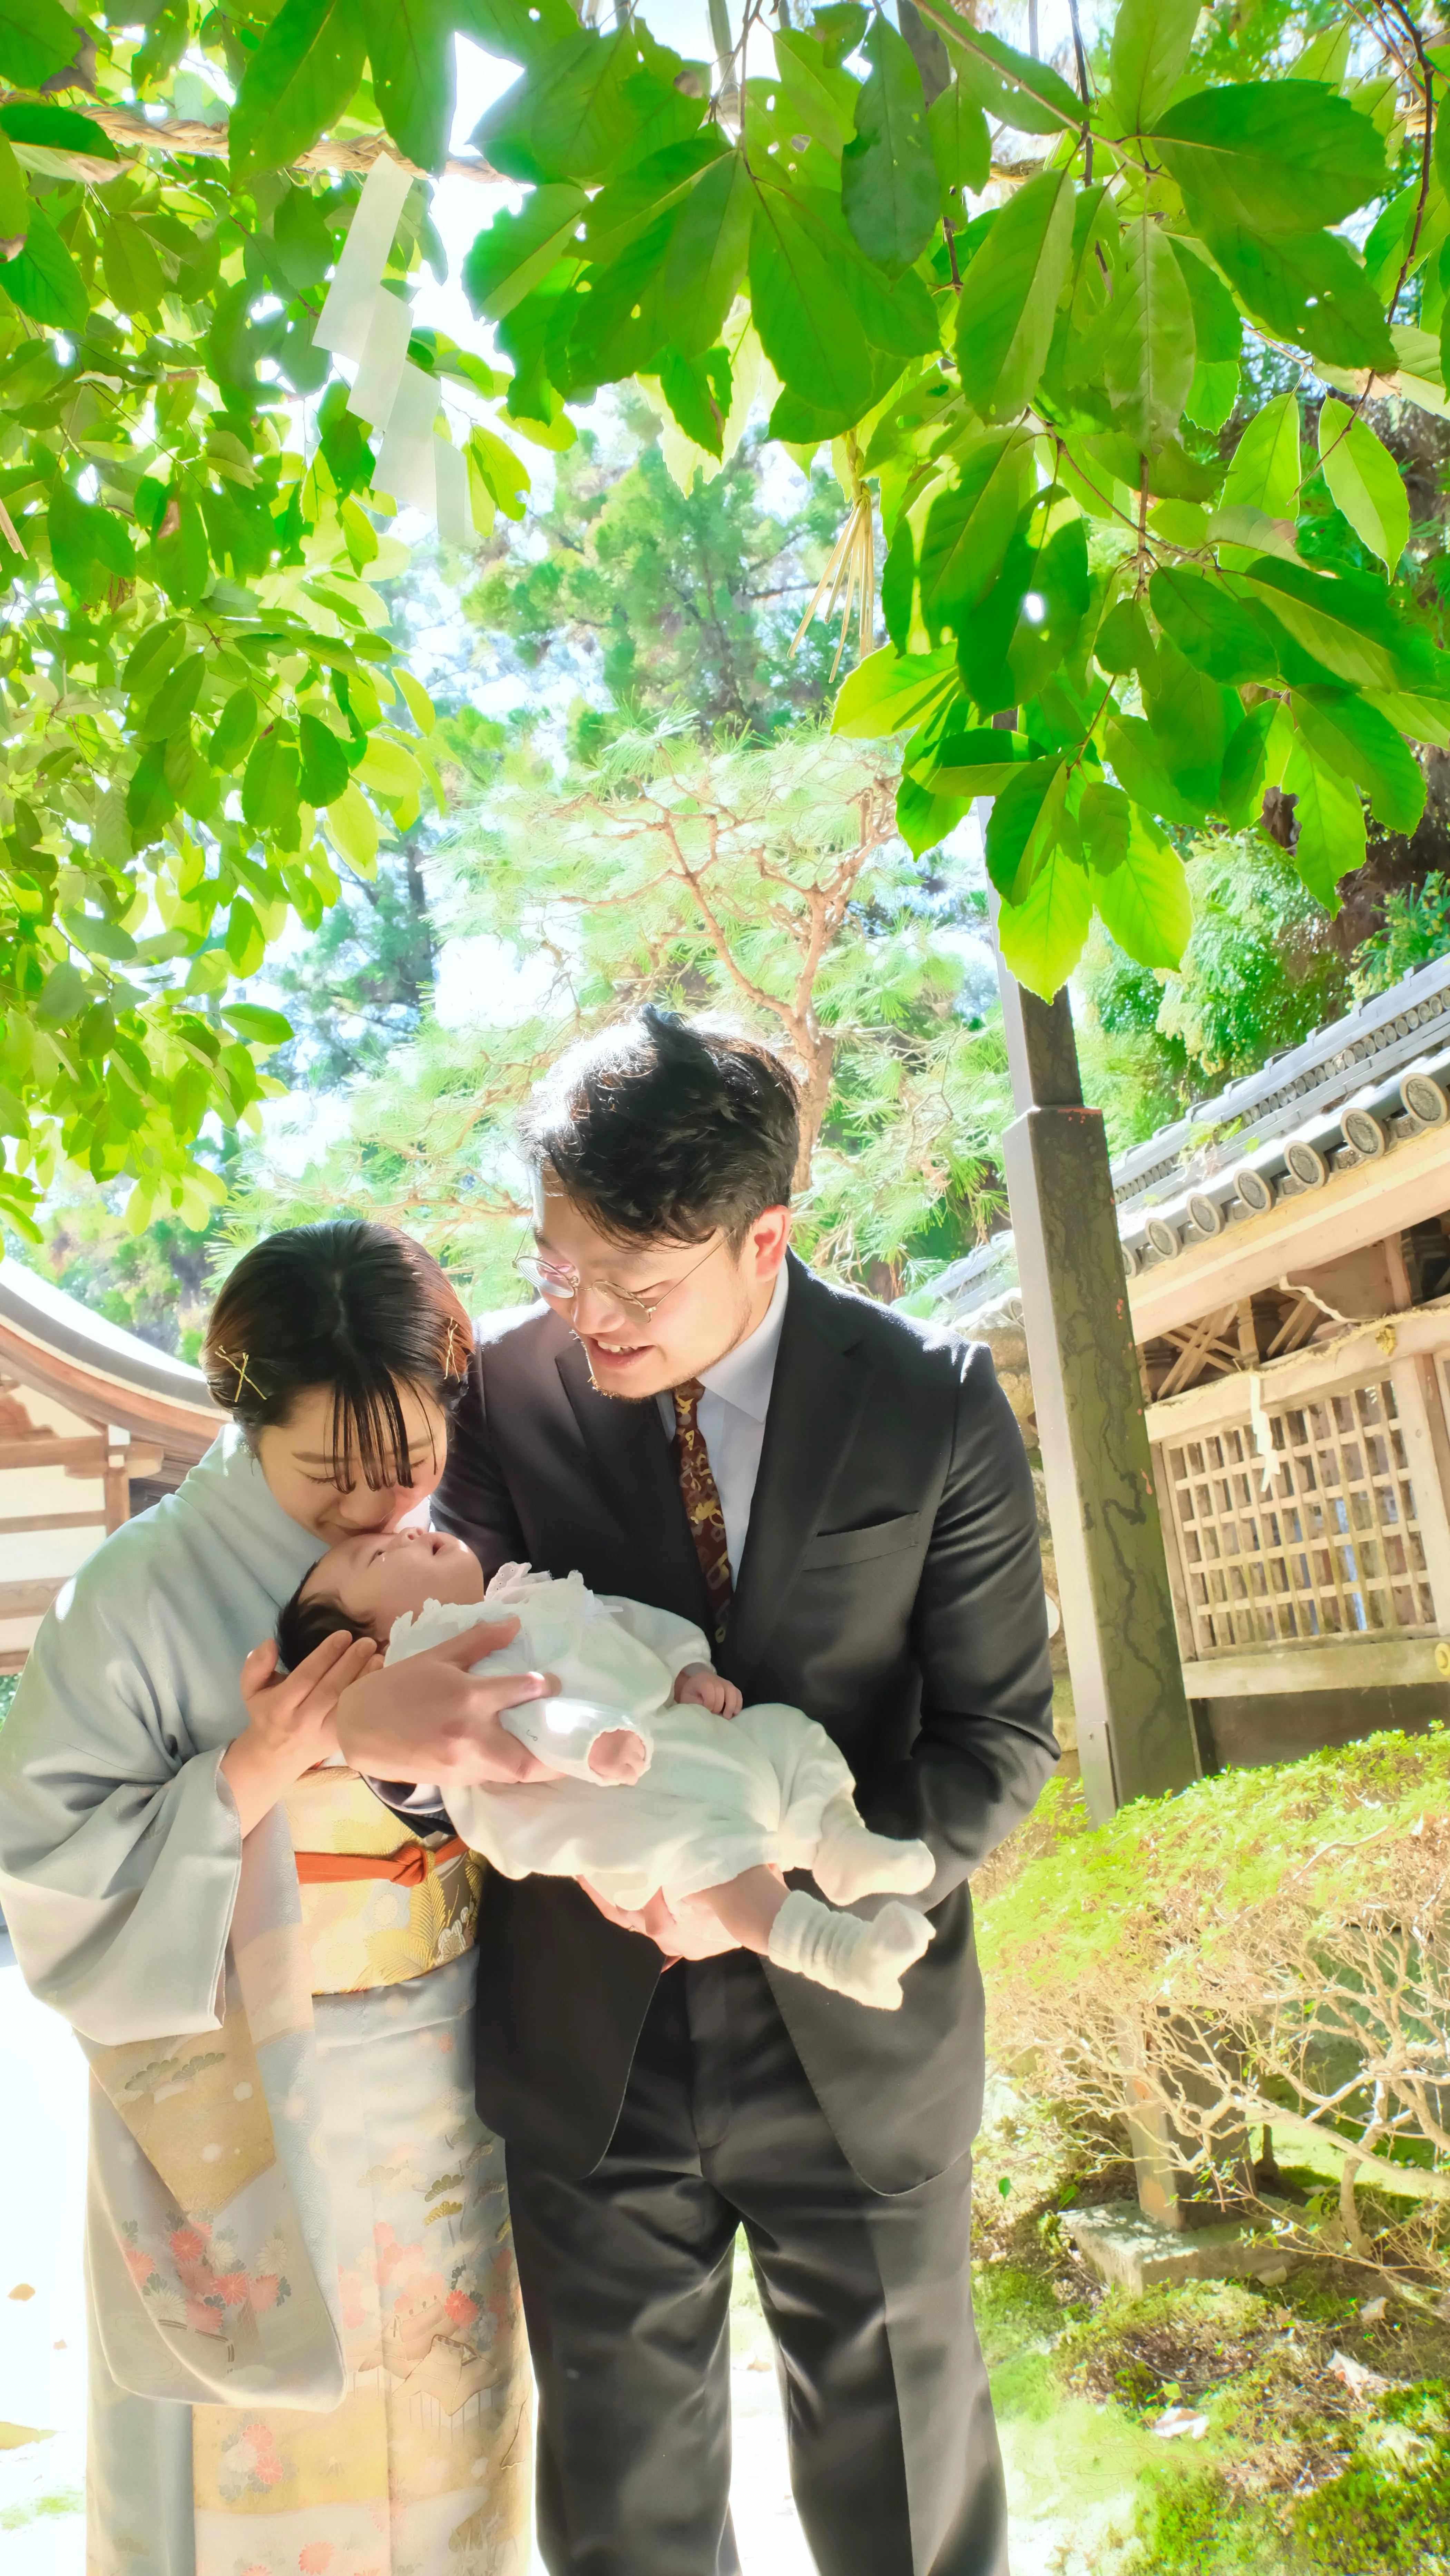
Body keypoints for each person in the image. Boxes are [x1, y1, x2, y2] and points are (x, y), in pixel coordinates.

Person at [337, 1010, 1060, 2576]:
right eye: (557, 1265)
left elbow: (1000, 1741)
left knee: (912, 2514)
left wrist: (788, 1875)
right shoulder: (507, 1402)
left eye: (634, 1284)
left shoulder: (930, 1400)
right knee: (623, 2525)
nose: (583, 1311)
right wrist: (446, 1769)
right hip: (589, 2045)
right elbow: (435, 1679)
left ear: (766, 1237)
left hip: (858, 2036)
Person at [0, 1220, 559, 2576]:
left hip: (443, 2079)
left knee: (448, 2435)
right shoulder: (131, 1594)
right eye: (334, 1474)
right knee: (243, 2447)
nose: (384, 1506)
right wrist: (252, 1771)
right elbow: (44, 1871)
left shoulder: (448, 1555)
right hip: (243, 2091)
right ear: (245, 1416)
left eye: (415, 1460)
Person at [280, 1538, 937, 2005]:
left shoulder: (529, 1593)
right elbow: (525, 1712)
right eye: (377, 1555)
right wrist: (591, 1743)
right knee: (715, 1860)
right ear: (377, 1643)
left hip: (679, 1736)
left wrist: (688, 1667)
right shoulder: (440, 1665)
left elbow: (629, 1621)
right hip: (612, 1796)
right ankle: (840, 1953)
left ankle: (841, 1843)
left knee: (789, 1738)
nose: (407, 1532)